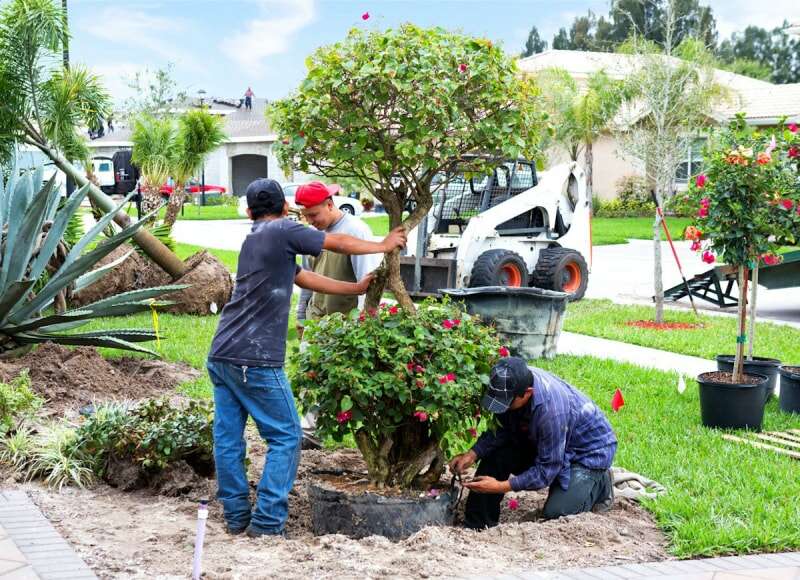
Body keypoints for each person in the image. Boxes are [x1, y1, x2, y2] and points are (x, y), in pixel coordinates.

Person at [206, 178, 406, 538]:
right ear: (285, 209)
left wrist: (355, 289)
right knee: (286, 435)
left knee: (228, 439)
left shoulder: (254, 238)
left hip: (222, 354)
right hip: (256, 358)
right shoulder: (282, 230)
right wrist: (383, 243)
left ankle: (237, 517)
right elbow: (338, 242)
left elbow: (302, 277)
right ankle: (266, 524)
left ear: (250, 212)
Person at [450, 356, 617, 528]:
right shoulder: (510, 383)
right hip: (552, 442)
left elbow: (546, 471)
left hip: (587, 453)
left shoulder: (551, 413)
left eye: (506, 403)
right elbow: (502, 429)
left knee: (557, 514)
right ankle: (478, 523)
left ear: (528, 393)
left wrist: (500, 486)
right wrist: (472, 454)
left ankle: (600, 482)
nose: (502, 408)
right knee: (496, 453)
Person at [295, 181, 379, 339]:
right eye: (305, 216)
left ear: (329, 204)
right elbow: (305, 278)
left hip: (346, 328)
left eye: (313, 215)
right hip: (315, 322)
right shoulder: (309, 235)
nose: (310, 221)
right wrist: (301, 316)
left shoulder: (355, 231)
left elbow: (368, 284)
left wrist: (361, 328)